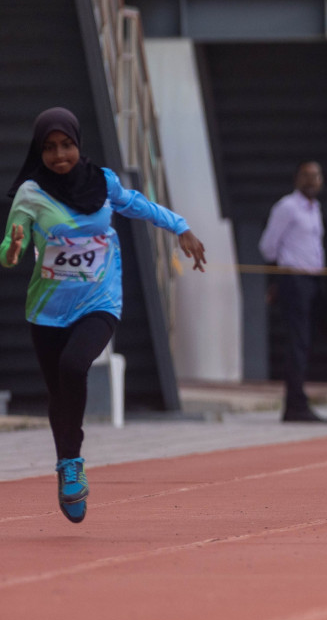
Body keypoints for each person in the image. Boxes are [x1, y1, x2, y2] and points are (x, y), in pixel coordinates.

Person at [2, 108, 206, 523]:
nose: (60, 156)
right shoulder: (30, 193)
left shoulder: (104, 182)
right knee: (58, 393)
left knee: (75, 366)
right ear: (39, 152)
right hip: (46, 310)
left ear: (79, 144)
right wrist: (13, 246)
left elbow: (141, 206)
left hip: (100, 301)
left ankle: (71, 464)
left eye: (67, 146)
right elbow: (10, 250)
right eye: (50, 148)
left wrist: (180, 227)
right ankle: (67, 463)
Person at [259, 161, 327, 422]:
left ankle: (299, 399)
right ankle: (295, 405)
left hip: (312, 280)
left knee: (306, 341)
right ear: (297, 178)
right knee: (297, 342)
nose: (312, 181)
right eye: (307, 176)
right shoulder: (287, 207)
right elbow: (268, 246)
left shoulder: (315, 208)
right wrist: (283, 271)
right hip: (294, 278)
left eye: (316, 176)